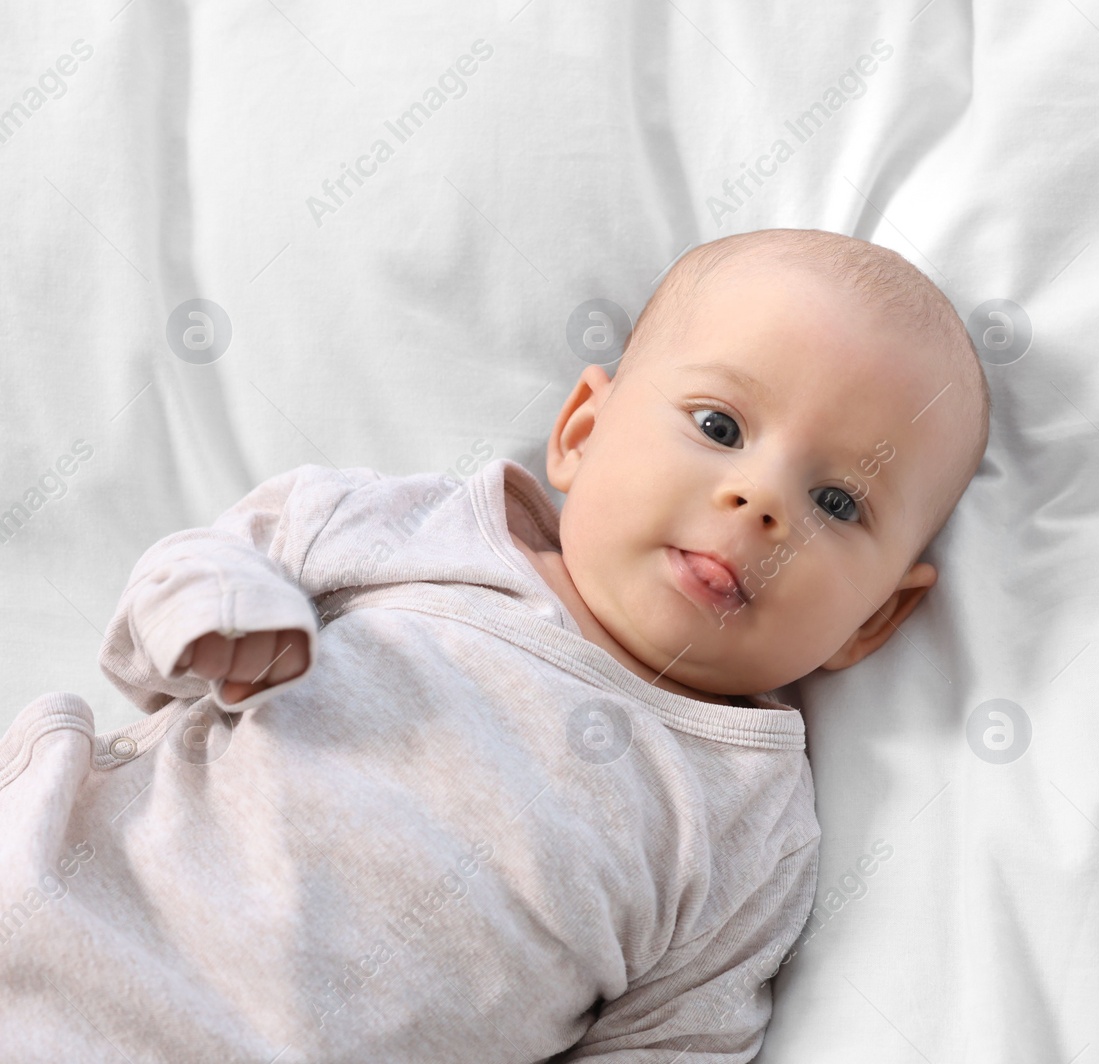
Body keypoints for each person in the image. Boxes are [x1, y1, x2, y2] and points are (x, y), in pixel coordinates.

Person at [0, 228, 990, 1062]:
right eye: (720, 423)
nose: (760, 499)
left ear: (872, 621)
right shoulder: (418, 530)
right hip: (65, 922)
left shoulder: (748, 820)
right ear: (582, 432)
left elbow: (675, 1037)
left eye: (836, 501)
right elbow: (157, 614)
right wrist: (220, 618)